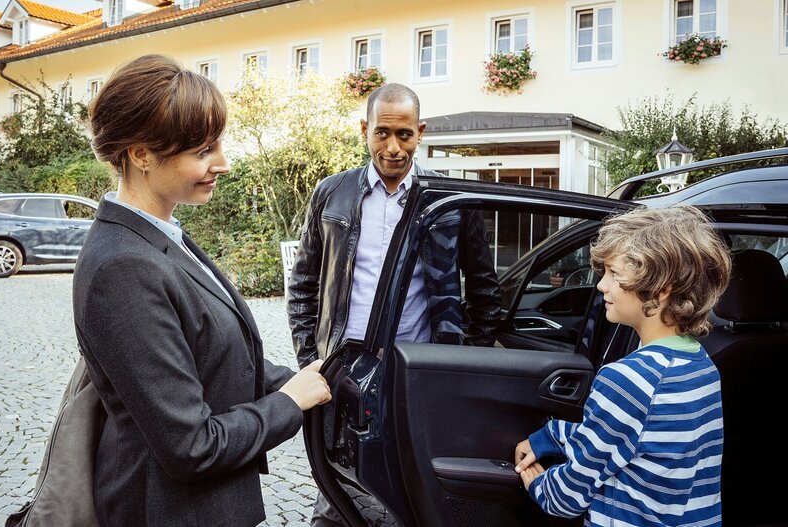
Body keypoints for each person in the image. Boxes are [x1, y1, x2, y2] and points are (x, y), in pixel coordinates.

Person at [73, 54, 331, 527]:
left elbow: (212, 360)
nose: (223, 163)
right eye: (202, 150)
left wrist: (305, 379)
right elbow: (189, 446)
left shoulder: (158, 234)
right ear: (142, 154)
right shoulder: (124, 266)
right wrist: (289, 402)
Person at [287, 83, 501, 525]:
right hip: (343, 369)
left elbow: (484, 290)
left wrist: (462, 362)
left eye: (404, 134)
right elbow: (304, 284)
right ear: (365, 129)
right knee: (337, 486)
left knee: (417, 479)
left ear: (419, 133)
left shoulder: (452, 200)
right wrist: (312, 358)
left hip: (418, 369)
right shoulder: (332, 193)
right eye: (382, 133)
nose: (393, 146)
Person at [514, 205, 730, 527]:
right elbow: (632, 439)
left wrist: (538, 484)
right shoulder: (701, 366)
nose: (601, 286)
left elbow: (568, 497)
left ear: (660, 287)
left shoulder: (628, 380)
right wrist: (550, 437)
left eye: (614, 274)